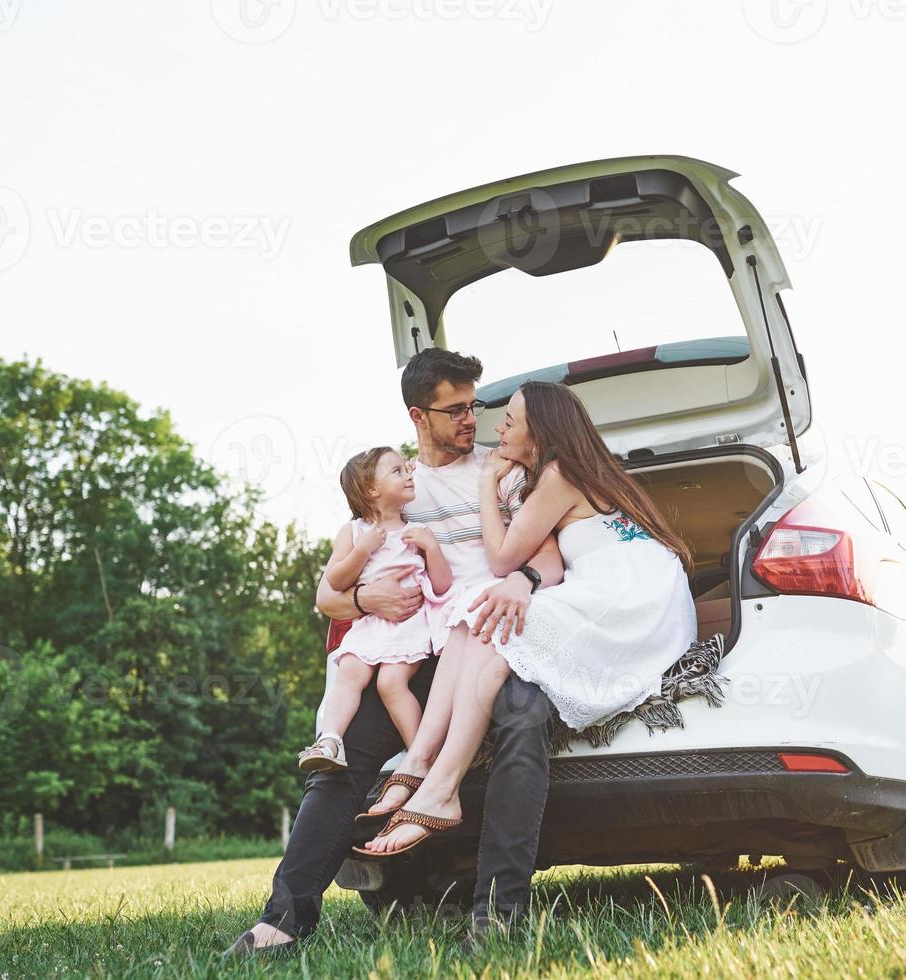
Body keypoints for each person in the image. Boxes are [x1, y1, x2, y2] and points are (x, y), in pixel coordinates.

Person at [225, 349, 564, 958]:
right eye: (455, 409)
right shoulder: (394, 486)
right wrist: (364, 596)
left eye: (476, 405)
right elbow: (329, 594)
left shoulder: (505, 472)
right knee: (344, 754)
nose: (472, 419)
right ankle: (284, 919)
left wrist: (524, 582)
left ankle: (498, 916)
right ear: (418, 415)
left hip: (492, 638)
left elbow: (543, 557)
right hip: (414, 650)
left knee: (526, 717)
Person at [356, 380, 695, 858]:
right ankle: (420, 766)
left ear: (540, 433)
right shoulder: (573, 469)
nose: (498, 428)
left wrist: (485, 485)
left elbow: (501, 559)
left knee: (491, 627)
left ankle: (440, 787)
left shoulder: (558, 474)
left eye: (510, 422)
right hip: (638, 590)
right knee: (475, 618)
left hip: (627, 598)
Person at [296, 446, 452, 772]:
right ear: (372, 490)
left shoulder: (417, 531)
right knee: (349, 673)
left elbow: (441, 586)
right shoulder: (354, 532)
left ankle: (421, 758)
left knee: (390, 684)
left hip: (409, 625)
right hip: (371, 625)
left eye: (406, 470)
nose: (408, 475)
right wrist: (362, 552)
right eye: (397, 471)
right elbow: (335, 581)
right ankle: (331, 740)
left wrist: (433, 549)